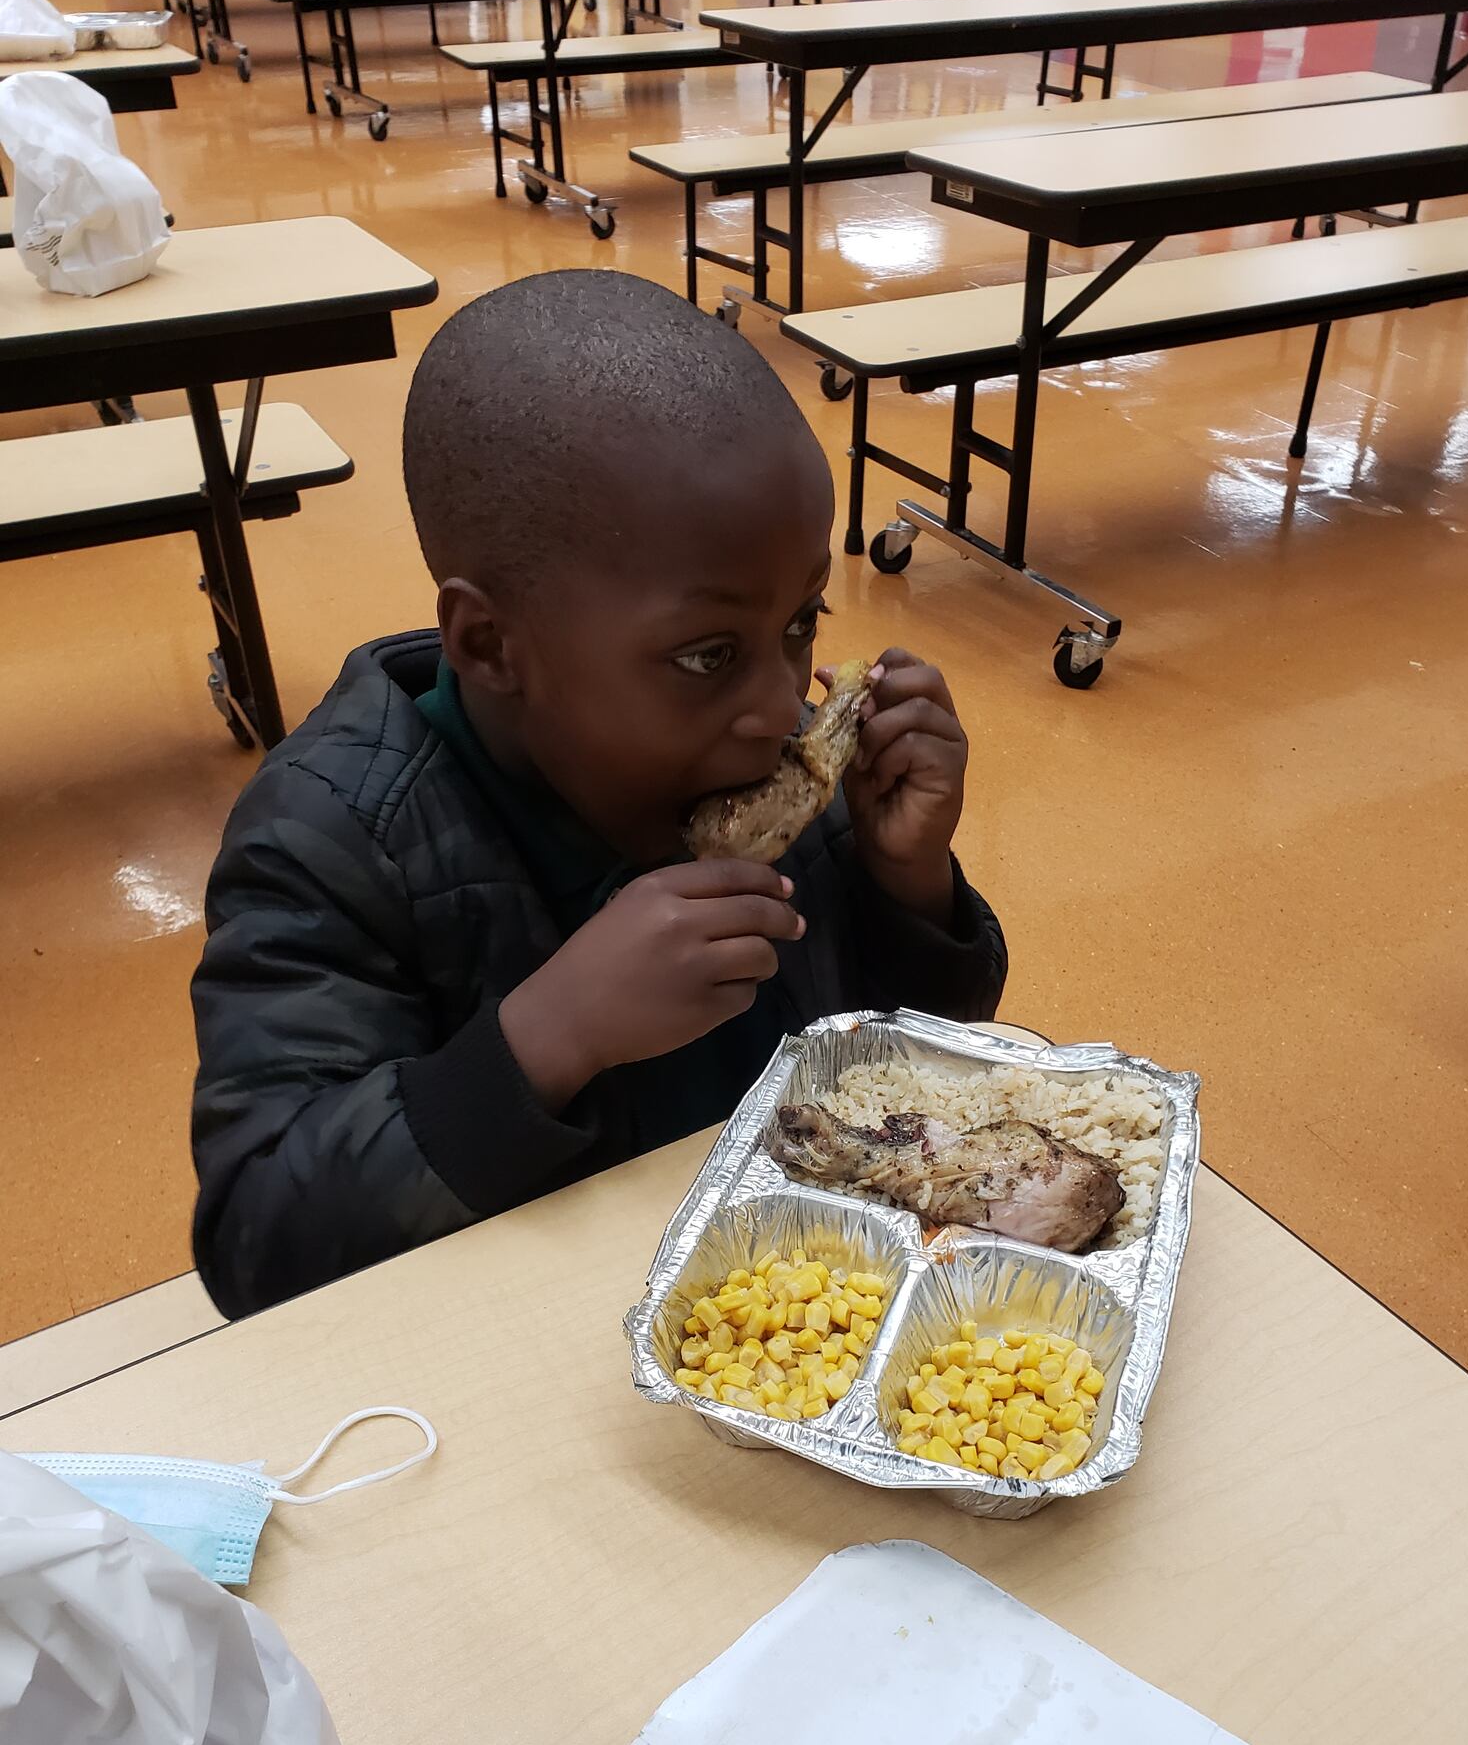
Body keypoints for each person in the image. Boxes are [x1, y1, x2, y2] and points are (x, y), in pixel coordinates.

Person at [190, 271, 1007, 1318]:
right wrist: (547, 1039)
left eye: (801, 623)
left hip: (793, 1320)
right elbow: (260, 1245)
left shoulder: (768, 766)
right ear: (490, 645)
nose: (777, 706)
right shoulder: (331, 843)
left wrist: (910, 887)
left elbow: (907, 1079)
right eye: (710, 653)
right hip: (516, 1361)